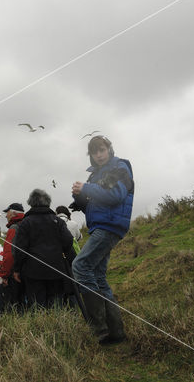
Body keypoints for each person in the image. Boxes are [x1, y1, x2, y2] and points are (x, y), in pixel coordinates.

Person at [71, 135, 133, 345]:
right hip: (102, 225)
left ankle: (99, 329)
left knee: (80, 266)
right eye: (94, 152)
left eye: (101, 150)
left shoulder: (120, 167)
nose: (98, 155)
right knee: (98, 275)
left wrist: (87, 189)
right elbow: (97, 199)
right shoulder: (96, 175)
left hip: (109, 226)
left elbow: (115, 194)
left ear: (109, 149)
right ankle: (116, 333)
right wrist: (80, 199)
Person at [0, 202, 26, 312]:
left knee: (14, 304)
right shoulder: (27, 224)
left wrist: (4, 275)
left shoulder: (14, 227)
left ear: (14, 213)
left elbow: (9, 254)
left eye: (7, 213)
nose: (5, 216)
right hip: (28, 271)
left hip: (14, 274)